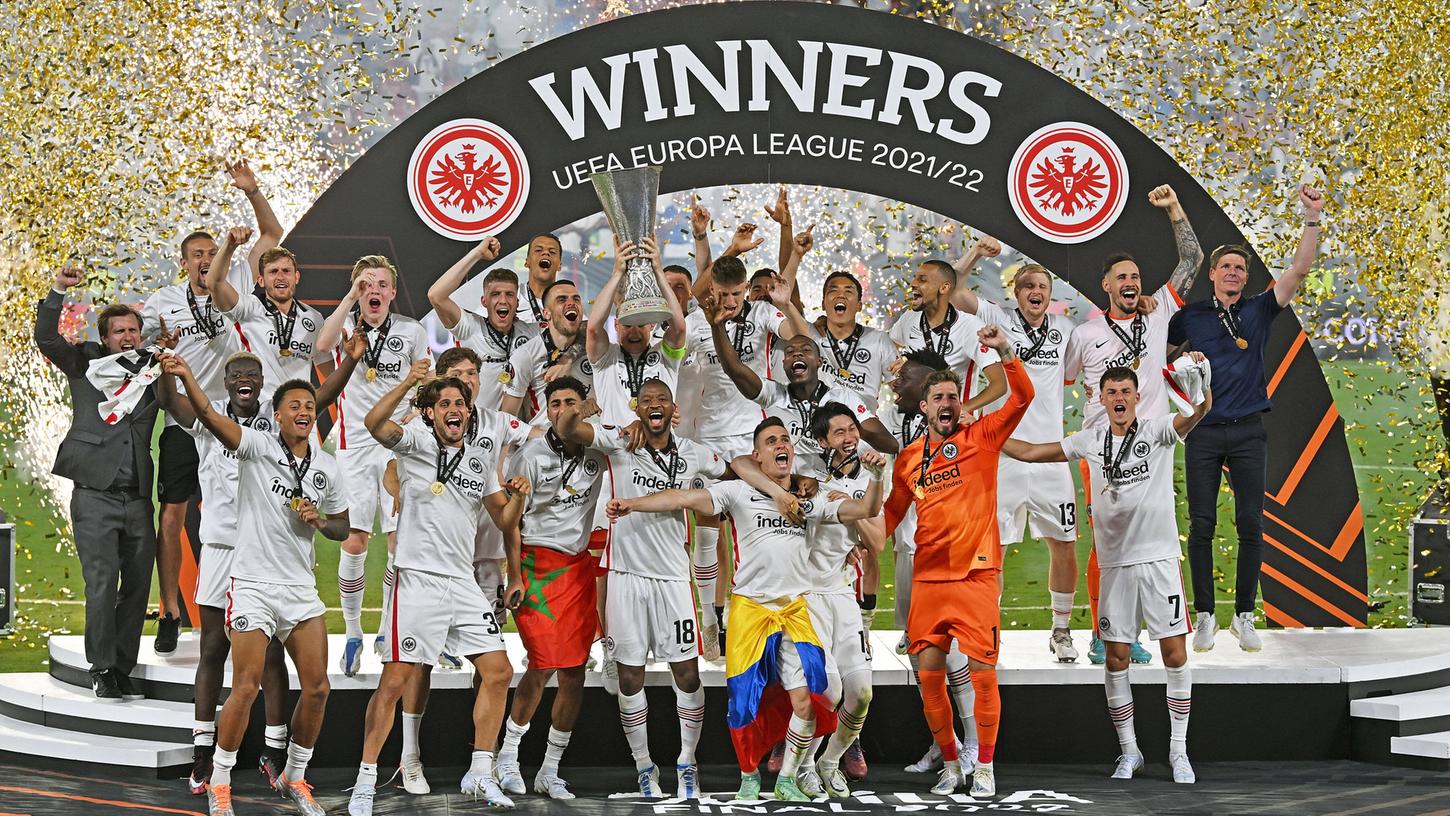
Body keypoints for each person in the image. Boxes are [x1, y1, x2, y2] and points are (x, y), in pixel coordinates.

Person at [607, 416, 884, 802]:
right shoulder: (738, 492)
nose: (781, 445)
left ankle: (789, 776)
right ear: (758, 456)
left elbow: (867, 508)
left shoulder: (811, 497)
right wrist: (632, 504)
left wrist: (875, 477)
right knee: (743, 705)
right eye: (771, 441)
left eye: (785, 439)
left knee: (813, 697)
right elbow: (685, 498)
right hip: (750, 610)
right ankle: (748, 776)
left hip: (795, 610)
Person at [163, 334, 364, 795]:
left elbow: (341, 527)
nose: (302, 411)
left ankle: (284, 762)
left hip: (293, 578)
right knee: (226, 660)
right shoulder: (254, 443)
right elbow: (203, 414)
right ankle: (210, 763)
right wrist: (181, 373)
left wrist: (320, 522)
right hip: (233, 559)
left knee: (304, 679)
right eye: (291, 406)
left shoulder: (319, 462)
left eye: (307, 407)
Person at [1003, 363, 1213, 784]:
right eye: (1111, 391)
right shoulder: (1090, 440)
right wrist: (985, 436)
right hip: (1114, 568)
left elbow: (1195, 415)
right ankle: (1129, 752)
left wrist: (1203, 394)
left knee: (1174, 654)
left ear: (1137, 397)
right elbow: (1029, 452)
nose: (1119, 398)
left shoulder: (1156, 431)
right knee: (1116, 659)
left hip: (1158, 562)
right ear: (1101, 399)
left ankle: (1178, 752)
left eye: (1126, 391)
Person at [347, 363, 528, 814]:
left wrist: (518, 496)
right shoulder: (416, 443)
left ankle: (480, 772)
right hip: (415, 581)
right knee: (394, 682)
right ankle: (365, 781)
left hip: (461, 582)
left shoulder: (480, 459)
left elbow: (503, 518)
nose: (454, 410)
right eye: (444, 403)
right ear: (430, 413)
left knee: (500, 671)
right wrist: (409, 383)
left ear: (469, 413)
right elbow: (373, 424)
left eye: (460, 404)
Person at [1169, 184, 1325, 653]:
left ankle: (1243, 616)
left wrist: (1311, 216)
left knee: (1251, 524)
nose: (1234, 272)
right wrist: (1181, 370)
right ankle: (1203, 617)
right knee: (1200, 525)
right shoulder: (1189, 316)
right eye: (1226, 267)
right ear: (1212, 274)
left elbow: (1299, 268)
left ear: (1245, 276)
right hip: (1202, 432)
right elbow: (1163, 357)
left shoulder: (1260, 308)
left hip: (1248, 432)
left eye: (1241, 268)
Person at [555, 378, 723, 799]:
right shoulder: (618, 443)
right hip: (625, 575)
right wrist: (588, 407)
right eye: (646, 400)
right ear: (637, 408)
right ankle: (645, 768)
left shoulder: (693, 452)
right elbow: (567, 430)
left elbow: (733, 468)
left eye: (661, 400)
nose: (654, 405)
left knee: (686, 672)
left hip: (672, 578)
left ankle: (688, 762)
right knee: (630, 677)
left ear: (672, 410)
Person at [883, 325, 1033, 797]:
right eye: (938, 397)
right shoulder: (908, 458)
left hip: (976, 576)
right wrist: (860, 545)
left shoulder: (983, 437)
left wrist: (1006, 351)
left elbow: (1022, 396)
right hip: (929, 580)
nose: (946, 403)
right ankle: (951, 763)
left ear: (960, 403)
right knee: (929, 679)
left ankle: (984, 765)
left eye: (952, 395)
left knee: (983, 676)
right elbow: (891, 512)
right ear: (924, 407)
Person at [141, 159, 283, 653]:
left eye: (210, 251)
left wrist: (251, 189)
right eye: (196, 254)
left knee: (238, 512)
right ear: (183, 263)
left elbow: (273, 232)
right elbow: (149, 362)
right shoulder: (161, 301)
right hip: (187, 422)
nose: (205, 259)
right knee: (174, 513)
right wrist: (161, 353)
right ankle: (169, 608)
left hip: (237, 422)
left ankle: (241, 605)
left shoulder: (238, 278)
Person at [1063, 183, 1204, 665]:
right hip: (1102, 449)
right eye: (1122, 276)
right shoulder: (1084, 334)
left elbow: (1191, 262)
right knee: (1107, 539)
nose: (1131, 282)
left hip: (1155, 442)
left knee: (1154, 540)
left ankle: (1141, 628)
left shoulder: (1159, 309)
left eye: (1136, 276)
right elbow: (1061, 380)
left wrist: (1173, 207)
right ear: (1105, 285)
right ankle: (1107, 632)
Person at [34, 266, 168, 701]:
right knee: (102, 582)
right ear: (105, 337)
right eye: (119, 332)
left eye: (133, 330)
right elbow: (48, 341)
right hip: (94, 494)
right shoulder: (86, 362)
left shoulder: (153, 370)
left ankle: (124, 665)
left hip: (138, 499)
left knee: (136, 589)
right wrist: (57, 292)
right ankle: (102, 667)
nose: (127, 337)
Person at [951, 254, 1084, 661]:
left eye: (1042, 286)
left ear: (1050, 294)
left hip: (1050, 456)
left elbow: (1067, 378)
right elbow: (953, 292)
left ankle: (1060, 630)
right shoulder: (996, 316)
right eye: (1028, 286)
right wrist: (974, 254)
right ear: (1016, 292)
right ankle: (989, 627)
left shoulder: (1066, 330)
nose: (1036, 292)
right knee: (995, 548)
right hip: (1003, 455)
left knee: (1063, 542)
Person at [683, 224, 805, 658]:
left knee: (750, 530)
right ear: (710, 290)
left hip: (747, 436)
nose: (731, 302)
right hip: (702, 437)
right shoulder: (695, 322)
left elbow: (800, 338)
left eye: (737, 294)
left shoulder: (760, 315)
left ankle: (749, 613)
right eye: (722, 294)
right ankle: (709, 618)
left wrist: (785, 304)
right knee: (706, 534)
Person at [316, 255, 433, 676]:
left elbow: (426, 387)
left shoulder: (412, 331)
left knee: (401, 542)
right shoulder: (346, 327)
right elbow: (320, 348)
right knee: (355, 540)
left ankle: (385, 627)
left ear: (393, 291)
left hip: (396, 445)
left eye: (381, 284)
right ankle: (351, 632)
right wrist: (349, 296)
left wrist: (408, 423)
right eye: (366, 285)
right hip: (353, 448)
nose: (374, 292)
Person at [494, 377, 609, 800]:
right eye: (555, 403)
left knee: (575, 672)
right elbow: (511, 525)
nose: (562, 409)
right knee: (541, 665)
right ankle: (507, 758)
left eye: (571, 402)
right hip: (536, 567)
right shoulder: (531, 455)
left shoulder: (599, 453)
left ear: (584, 408)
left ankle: (550, 768)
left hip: (577, 570)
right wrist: (514, 575)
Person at [207, 228, 330, 391]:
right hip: (256, 411)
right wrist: (229, 246)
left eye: (286, 271)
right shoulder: (249, 308)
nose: (280, 277)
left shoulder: (314, 318)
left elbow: (328, 374)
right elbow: (214, 283)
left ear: (296, 277)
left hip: (295, 412)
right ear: (261, 280)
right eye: (273, 272)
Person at [427, 236, 539, 413]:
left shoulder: (532, 333)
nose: (503, 300)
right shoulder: (470, 327)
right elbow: (436, 295)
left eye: (509, 295)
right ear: (484, 301)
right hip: (473, 431)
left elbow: (574, 329)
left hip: (517, 434)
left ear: (517, 302)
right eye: (495, 294)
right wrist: (477, 253)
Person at [585, 236, 687, 427]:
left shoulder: (666, 357)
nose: (634, 332)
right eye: (627, 324)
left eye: (641, 325)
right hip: (615, 450)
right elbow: (592, 328)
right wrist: (617, 273)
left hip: (656, 448)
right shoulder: (605, 357)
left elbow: (679, 328)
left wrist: (658, 272)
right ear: (616, 326)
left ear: (652, 326)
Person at [500, 279, 592, 422]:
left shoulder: (593, 346)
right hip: (543, 440)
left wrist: (567, 359)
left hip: (588, 440)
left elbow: (593, 330)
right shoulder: (525, 356)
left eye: (576, 299)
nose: (571, 303)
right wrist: (532, 434)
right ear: (547, 314)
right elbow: (507, 419)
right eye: (561, 299)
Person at [515, 233, 564, 327]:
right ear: (526, 262)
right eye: (538, 250)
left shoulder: (569, 301)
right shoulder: (509, 295)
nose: (546, 253)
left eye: (552, 252)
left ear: (559, 266)